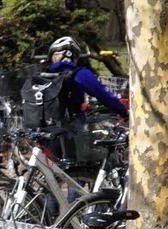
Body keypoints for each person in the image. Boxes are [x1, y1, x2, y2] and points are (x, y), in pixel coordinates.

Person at [45, 36, 129, 216]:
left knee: (53, 177)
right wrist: (125, 112)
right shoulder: (80, 74)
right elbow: (104, 96)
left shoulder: (45, 75)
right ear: (72, 56)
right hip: (72, 129)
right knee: (78, 176)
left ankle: (52, 226)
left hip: (47, 130)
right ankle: (74, 224)